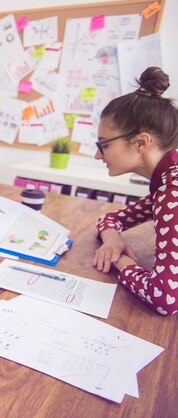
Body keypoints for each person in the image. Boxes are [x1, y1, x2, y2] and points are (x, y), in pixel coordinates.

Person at [93, 67, 178, 316]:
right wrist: (112, 239)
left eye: (103, 145)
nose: (97, 155)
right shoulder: (167, 181)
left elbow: (164, 298)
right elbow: (111, 219)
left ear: (141, 142)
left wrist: (120, 261)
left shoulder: (172, 191)